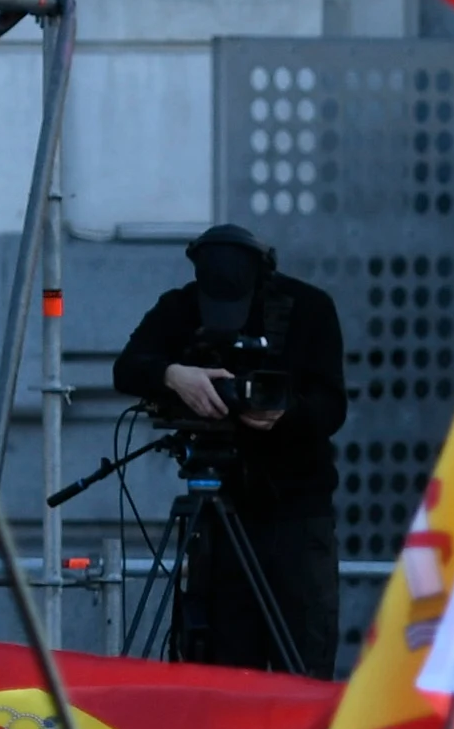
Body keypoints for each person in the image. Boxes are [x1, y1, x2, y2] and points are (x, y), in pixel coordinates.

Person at [113, 221, 350, 673]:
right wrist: (174, 374)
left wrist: (281, 412)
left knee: (301, 664)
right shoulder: (180, 308)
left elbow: (331, 406)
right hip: (218, 510)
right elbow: (126, 369)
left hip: (293, 511)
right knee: (220, 663)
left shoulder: (308, 309)